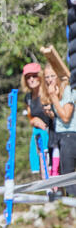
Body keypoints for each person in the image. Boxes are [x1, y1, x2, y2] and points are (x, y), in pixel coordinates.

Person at [42, 65, 76, 196]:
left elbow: (66, 117)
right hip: (61, 136)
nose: (49, 80)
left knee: (68, 176)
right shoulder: (57, 93)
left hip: (70, 136)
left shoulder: (67, 90)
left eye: (52, 76)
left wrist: (54, 98)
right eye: (47, 77)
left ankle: (72, 206)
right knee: (63, 174)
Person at [21, 63, 54, 179]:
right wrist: (33, 121)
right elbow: (30, 116)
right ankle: (50, 195)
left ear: (40, 76)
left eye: (34, 76)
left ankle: (60, 195)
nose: (31, 79)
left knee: (54, 170)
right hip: (39, 137)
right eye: (28, 77)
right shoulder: (28, 98)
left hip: (52, 135)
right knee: (43, 169)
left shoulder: (48, 93)